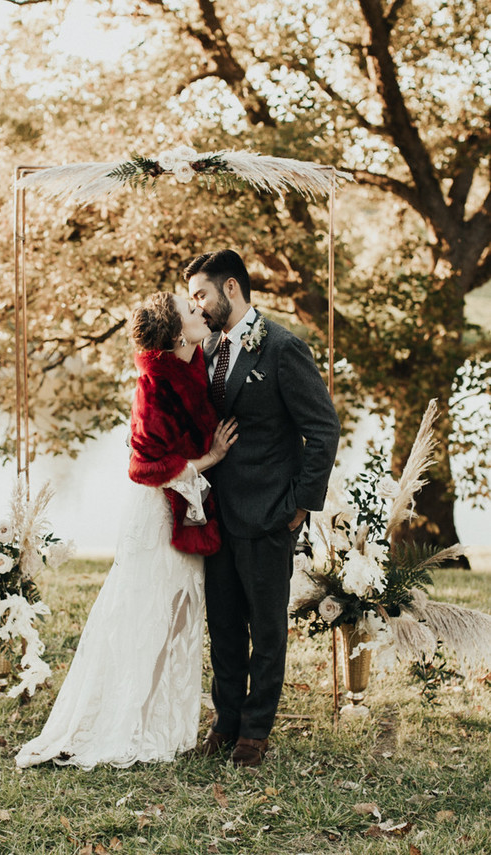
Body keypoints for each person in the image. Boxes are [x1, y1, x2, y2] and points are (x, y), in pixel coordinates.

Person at [15, 292, 237, 769]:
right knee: (145, 617)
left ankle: (160, 723)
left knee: (177, 619)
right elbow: (142, 467)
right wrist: (209, 460)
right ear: (177, 332)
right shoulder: (154, 387)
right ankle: (121, 723)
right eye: (189, 309)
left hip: (186, 509)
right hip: (158, 517)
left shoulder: (195, 361)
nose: (200, 310)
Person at [185, 249, 340, 767]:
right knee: (223, 625)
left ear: (231, 289)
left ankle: (255, 732)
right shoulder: (204, 350)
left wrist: (300, 504)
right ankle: (225, 722)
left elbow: (322, 429)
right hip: (214, 516)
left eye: (201, 294)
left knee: (266, 629)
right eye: (192, 299)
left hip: (270, 513)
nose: (197, 306)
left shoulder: (282, 348)